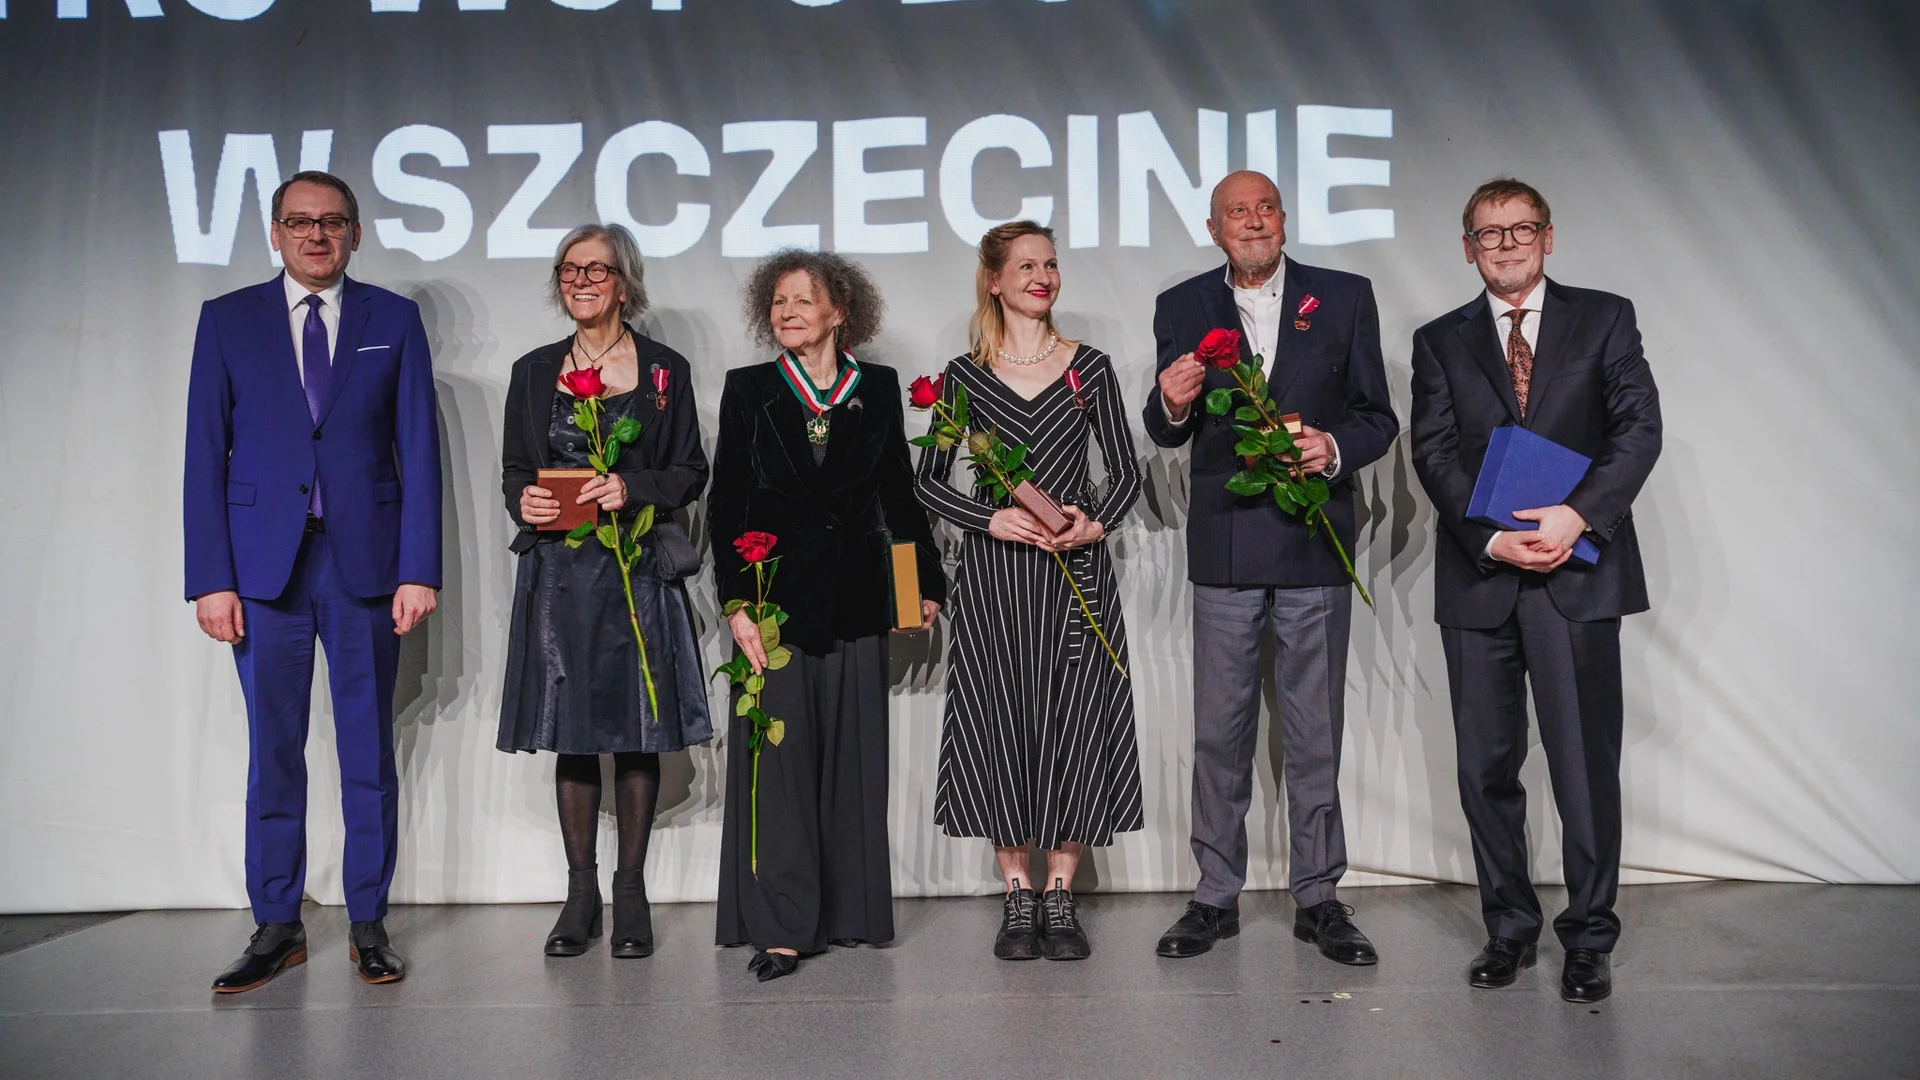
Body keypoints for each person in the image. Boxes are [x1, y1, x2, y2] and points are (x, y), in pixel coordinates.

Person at [183, 171, 441, 992]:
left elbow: (419, 454)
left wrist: (418, 569)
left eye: (332, 222)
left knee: (368, 751)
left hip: (363, 565)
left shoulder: (392, 320)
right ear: (274, 232)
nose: (316, 236)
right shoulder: (226, 321)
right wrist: (209, 579)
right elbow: (202, 458)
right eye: (299, 222)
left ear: (356, 234)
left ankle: (369, 923)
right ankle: (276, 924)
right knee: (275, 752)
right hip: (263, 571)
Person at [1409, 178, 1661, 1003]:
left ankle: (1589, 938)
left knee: (1585, 767)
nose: (1508, 243)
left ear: (1548, 237)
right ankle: (1508, 929)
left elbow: (1638, 428)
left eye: (1522, 228)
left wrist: (1576, 520)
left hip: (1573, 577)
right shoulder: (1439, 339)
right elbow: (1434, 453)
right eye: (1490, 232)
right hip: (1481, 577)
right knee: (1486, 768)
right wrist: (1488, 536)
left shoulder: (1605, 317)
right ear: (1468, 248)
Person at [1142, 171, 1398, 965]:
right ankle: (1214, 896)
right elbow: (1165, 427)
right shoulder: (1182, 305)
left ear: (1284, 220)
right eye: (1236, 213)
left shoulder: (1345, 295)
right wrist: (1174, 402)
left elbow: (1378, 418)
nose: (1253, 222)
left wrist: (1331, 447)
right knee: (1219, 733)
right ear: (1214, 229)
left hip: (1313, 543)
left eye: (1265, 209)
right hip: (1225, 547)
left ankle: (1319, 895)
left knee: (1315, 733)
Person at [707, 249, 946, 982]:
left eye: (802, 300)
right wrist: (738, 607)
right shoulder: (748, 389)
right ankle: (781, 927)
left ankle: (846, 915)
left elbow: (897, 501)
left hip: (856, 602)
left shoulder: (874, 386)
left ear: (839, 311)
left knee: (852, 764)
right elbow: (728, 506)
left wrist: (918, 587)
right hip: (774, 606)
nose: (786, 312)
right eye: (777, 302)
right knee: (778, 769)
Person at [913, 221, 1144, 962]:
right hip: (994, 578)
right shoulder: (963, 374)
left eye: (1050, 264)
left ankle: (1061, 894)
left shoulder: (1091, 368)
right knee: (1000, 721)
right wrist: (992, 518)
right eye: (1026, 265)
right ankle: (1017, 892)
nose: (1042, 275)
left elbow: (1128, 474)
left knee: (1075, 721)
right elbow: (926, 481)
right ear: (993, 279)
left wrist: (1091, 521)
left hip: (1075, 576)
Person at [496, 223, 712, 959]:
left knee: (637, 730)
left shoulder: (662, 370)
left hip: (636, 568)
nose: (581, 280)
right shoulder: (532, 372)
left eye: (597, 269)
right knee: (576, 732)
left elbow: (689, 470)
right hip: (559, 576)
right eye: (569, 269)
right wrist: (521, 498)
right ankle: (580, 893)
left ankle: (630, 892)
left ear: (624, 282)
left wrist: (630, 485)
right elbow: (516, 470)